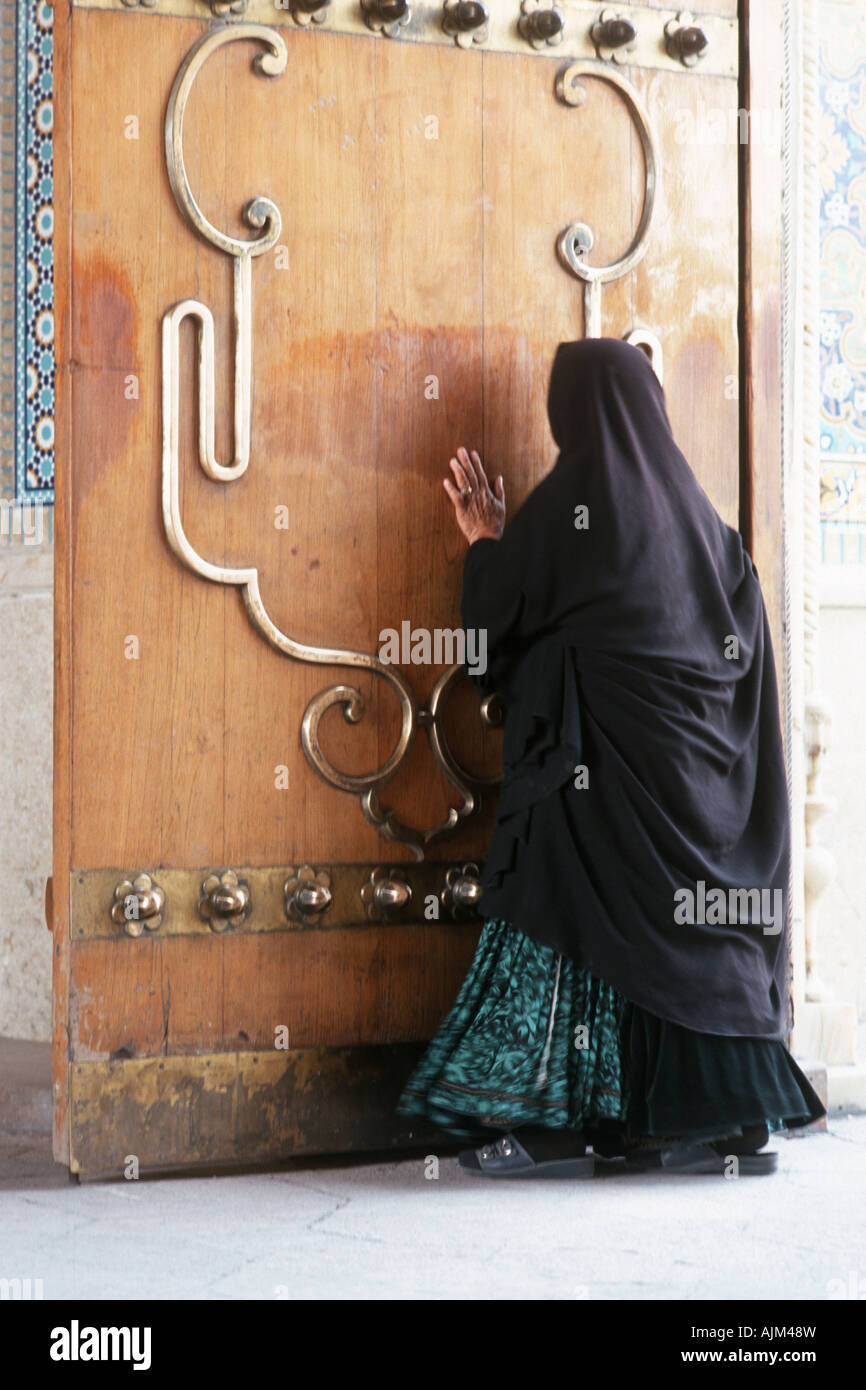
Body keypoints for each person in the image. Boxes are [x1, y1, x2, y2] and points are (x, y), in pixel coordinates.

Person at [396, 337, 825, 1178]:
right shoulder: (709, 527)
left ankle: (561, 1118)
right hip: (707, 803)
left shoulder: (574, 506)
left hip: (602, 791)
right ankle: (728, 1112)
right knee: (686, 929)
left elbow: (486, 637)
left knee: (569, 894)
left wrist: (485, 539)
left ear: (571, 415)